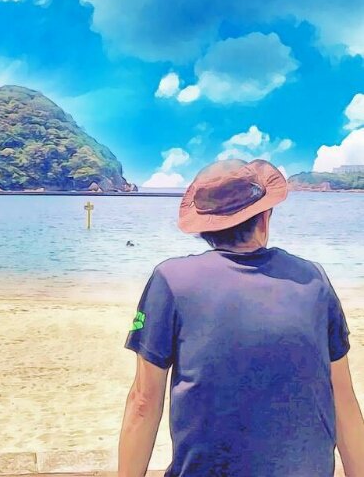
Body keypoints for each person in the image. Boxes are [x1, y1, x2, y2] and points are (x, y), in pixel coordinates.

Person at [118, 158, 364, 477]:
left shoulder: (173, 280)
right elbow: (343, 399)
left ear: (205, 227)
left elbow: (143, 402)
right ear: (264, 217)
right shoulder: (313, 280)